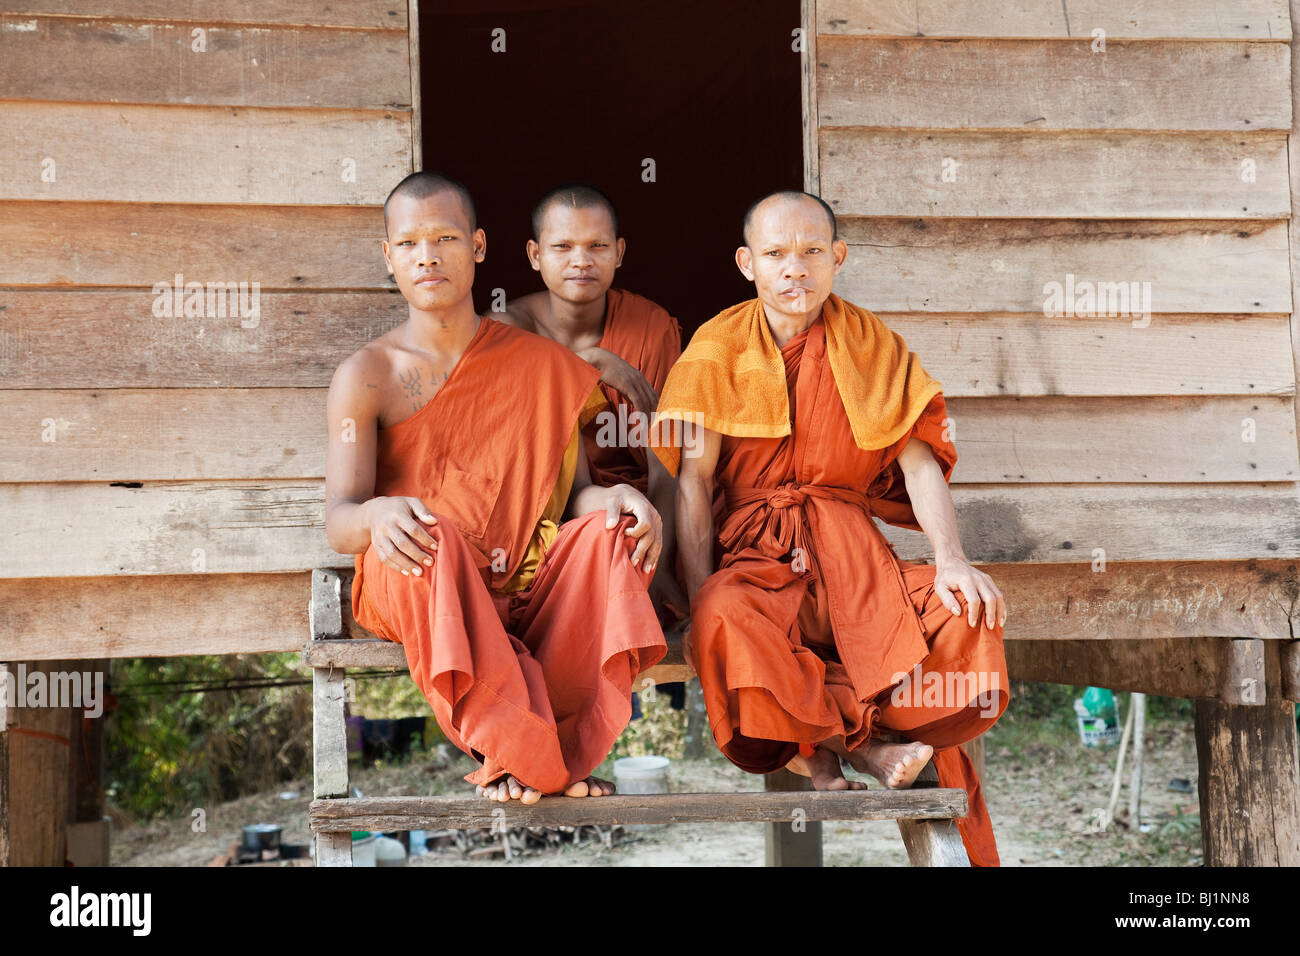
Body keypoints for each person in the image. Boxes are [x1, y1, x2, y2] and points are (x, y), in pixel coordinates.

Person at [651, 190, 1010, 865]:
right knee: (725, 617)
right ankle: (863, 745)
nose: (796, 269)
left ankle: (820, 740)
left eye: (813, 252)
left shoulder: (872, 344)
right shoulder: (716, 347)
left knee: (967, 614)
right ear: (746, 263)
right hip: (756, 559)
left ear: (837, 257)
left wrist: (953, 560)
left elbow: (919, 464)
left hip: (854, 561)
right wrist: (699, 591)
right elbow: (694, 486)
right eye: (776, 254)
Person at [325, 171, 667, 805]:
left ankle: (532, 755)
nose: (427, 256)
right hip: (423, 577)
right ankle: (532, 756)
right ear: (389, 257)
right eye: (409, 244)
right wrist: (378, 515)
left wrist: (621, 501)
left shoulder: (540, 366)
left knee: (605, 535)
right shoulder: (367, 374)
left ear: (479, 247)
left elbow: (573, 502)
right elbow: (339, 519)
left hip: (520, 580)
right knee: (432, 535)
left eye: (446, 238)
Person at [499, 184, 688, 624]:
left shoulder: (651, 325)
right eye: (562, 246)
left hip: (641, 509)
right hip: (548, 510)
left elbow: (668, 460)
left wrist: (657, 568)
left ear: (619, 252)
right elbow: (518, 447)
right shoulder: (507, 327)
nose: (581, 260)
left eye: (597, 246)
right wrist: (590, 364)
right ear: (534, 254)